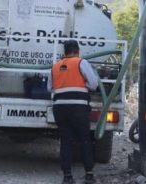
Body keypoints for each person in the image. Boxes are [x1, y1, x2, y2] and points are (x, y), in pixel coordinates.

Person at [50, 40, 98, 184]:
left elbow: (50, 88)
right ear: (77, 50)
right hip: (78, 108)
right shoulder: (81, 62)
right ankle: (89, 175)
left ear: (64, 52)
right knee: (84, 139)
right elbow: (94, 85)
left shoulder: (55, 66)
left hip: (60, 108)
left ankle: (67, 177)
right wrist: (83, 85)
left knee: (66, 141)